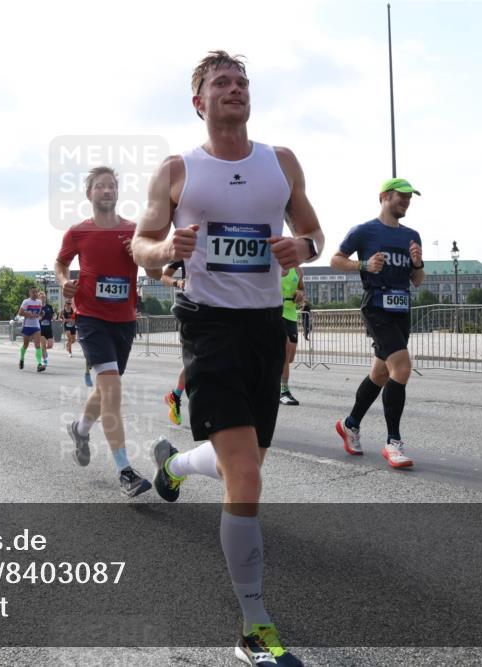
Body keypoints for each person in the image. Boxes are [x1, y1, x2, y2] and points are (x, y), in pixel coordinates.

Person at [132, 50, 323, 666]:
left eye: (242, 82)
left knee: (241, 462)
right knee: (247, 475)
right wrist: (166, 247)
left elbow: (316, 234)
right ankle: (254, 628)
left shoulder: (281, 162)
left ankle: (174, 465)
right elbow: (140, 244)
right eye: (222, 83)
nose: (235, 89)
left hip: (265, 328)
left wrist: (303, 246)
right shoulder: (178, 170)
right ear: (200, 102)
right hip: (207, 324)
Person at [57, 165, 152, 499]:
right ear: (90, 193)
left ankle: (80, 429)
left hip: (124, 320)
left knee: (105, 389)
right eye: (100, 186)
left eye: (112, 186)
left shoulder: (134, 230)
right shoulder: (77, 233)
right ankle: (125, 471)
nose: (107, 191)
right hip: (91, 318)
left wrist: (137, 253)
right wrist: (64, 283)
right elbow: (60, 263)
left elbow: (154, 268)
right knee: (112, 391)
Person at [332, 177, 425, 470]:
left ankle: (350, 424)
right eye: (402, 196)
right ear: (385, 196)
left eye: (410, 198)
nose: (406, 202)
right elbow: (336, 260)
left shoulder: (412, 235)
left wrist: (418, 263)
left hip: (402, 308)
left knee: (381, 373)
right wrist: (363, 265)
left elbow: (417, 281)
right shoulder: (364, 231)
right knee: (402, 367)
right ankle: (393, 443)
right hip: (376, 306)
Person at [149, 261, 187, 425]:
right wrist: (177, 283)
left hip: (226, 312)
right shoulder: (189, 244)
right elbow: (163, 275)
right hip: (194, 312)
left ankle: (176, 395)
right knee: (196, 359)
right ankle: (176, 395)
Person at [279, 267, 305, 406]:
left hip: (291, 314)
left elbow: (302, 288)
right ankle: (284, 391)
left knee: (290, 357)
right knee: (286, 348)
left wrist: (300, 293)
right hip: (275, 312)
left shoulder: (298, 271)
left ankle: (273, 377)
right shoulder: (272, 267)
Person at [17, 286, 45, 372]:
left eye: (36, 292)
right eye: (33, 292)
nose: (35, 294)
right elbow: (20, 313)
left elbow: (40, 313)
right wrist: (27, 314)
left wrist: (40, 315)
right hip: (27, 326)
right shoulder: (26, 302)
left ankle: (39, 364)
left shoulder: (39, 302)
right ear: (30, 293)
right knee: (26, 345)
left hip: (36, 326)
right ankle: (21, 359)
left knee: (37, 345)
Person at [37, 290, 56, 369]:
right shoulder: (37, 307)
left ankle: (44, 351)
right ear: (39, 298)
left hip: (48, 328)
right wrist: (39, 317)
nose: (43, 298)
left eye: (44, 297)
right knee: (43, 345)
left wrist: (54, 317)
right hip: (41, 329)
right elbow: (35, 317)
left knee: (50, 345)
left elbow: (54, 315)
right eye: (41, 297)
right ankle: (44, 360)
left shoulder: (49, 307)